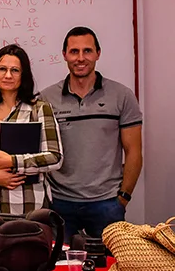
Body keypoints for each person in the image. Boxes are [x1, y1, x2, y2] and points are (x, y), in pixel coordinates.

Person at [40, 27, 142, 239]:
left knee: (110, 261)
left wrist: (123, 197)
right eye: (74, 51)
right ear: (64, 55)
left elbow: (134, 151)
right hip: (59, 202)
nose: (80, 58)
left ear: (98, 53)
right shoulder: (46, 99)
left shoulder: (122, 96)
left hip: (107, 204)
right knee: (59, 260)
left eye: (87, 51)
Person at [0, 44, 63, 216]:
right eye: (2, 69)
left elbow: (55, 157)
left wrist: (13, 161)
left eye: (15, 70)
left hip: (29, 206)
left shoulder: (39, 109)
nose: (8, 75)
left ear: (23, 75)